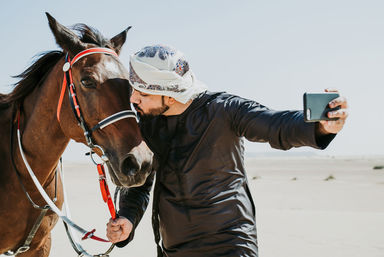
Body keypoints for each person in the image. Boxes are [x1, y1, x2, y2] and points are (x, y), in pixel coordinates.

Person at [106, 45, 348, 257]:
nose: (134, 98)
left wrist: (320, 127)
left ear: (170, 95)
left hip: (230, 244)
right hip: (175, 248)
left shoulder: (224, 110)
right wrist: (128, 217)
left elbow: (277, 125)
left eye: (143, 93)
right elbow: (142, 182)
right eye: (133, 89)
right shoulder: (149, 123)